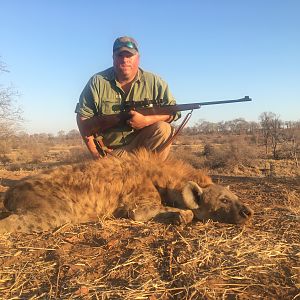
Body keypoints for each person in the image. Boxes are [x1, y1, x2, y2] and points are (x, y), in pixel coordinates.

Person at [75, 36, 180, 160]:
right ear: (113, 58)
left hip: (144, 149)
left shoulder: (155, 82)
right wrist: (96, 155)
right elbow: (83, 118)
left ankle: (148, 173)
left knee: (164, 129)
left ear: (138, 58)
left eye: (129, 55)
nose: (125, 60)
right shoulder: (97, 82)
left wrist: (146, 121)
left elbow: (174, 112)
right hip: (111, 153)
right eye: (120, 55)